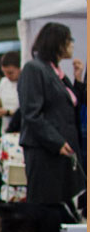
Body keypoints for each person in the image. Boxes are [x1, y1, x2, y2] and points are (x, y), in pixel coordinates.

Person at [18, 22, 86, 208]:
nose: (72, 44)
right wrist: (56, 141)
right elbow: (32, 113)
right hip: (45, 150)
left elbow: (74, 104)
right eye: (69, 40)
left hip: (64, 148)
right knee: (46, 205)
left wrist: (78, 79)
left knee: (64, 204)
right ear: (57, 43)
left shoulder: (56, 72)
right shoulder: (34, 69)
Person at [0, 50, 22, 134]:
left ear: (20, 68)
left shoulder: (26, 83)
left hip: (21, 129)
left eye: (10, 73)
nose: (7, 76)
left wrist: (8, 112)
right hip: (6, 129)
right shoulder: (3, 82)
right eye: (4, 72)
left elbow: (26, 111)